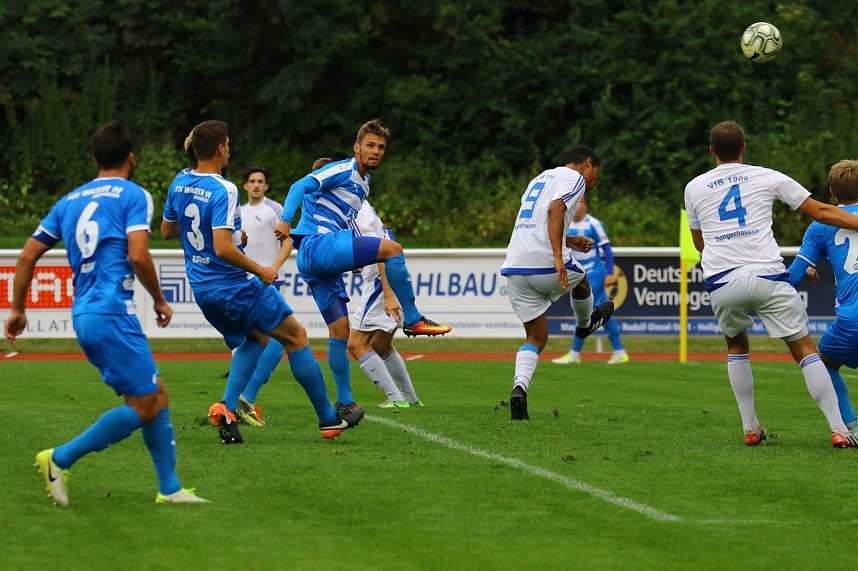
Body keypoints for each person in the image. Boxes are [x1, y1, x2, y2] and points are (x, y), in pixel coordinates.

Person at [4, 121, 207, 505]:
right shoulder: (134, 196)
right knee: (145, 403)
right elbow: (137, 254)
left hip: (84, 312)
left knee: (155, 395)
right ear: (132, 158)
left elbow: (28, 255)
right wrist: (160, 300)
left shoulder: (70, 200)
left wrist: (17, 309)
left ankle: (170, 488)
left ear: (94, 158)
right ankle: (59, 458)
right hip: (112, 311)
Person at [161, 120, 363, 444]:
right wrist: (260, 270)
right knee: (296, 336)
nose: (229, 148)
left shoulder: (180, 182)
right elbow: (223, 248)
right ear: (220, 149)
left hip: (201, 288)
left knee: (255, 340)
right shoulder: (224, 189)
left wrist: (228, 237)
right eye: (227, 143)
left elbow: (168, 231)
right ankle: (329, 418)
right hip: (234, 286)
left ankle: (227, 409)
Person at [684, 120, 858, 448]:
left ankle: (751, 427)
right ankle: (839, 429)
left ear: (712, 152)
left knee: (736, 347)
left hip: (722, 279)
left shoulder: (693, 187)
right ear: (744, 148)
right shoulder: (767, 175)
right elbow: (820, 211)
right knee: (805, 349)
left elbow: (700, 243)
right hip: (767, 274)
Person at [274, 120, 451, 416]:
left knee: (340, 331)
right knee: (392, 249)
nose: (376, 151)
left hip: (313, 259)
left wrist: (350, 254)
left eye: (381, 147)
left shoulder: (365, 183)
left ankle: (344, 402)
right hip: (320, 246)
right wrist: (285, 219)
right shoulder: (343, 169)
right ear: (356, 148)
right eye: (370, 145)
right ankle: (413, 318)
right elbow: (299, 185)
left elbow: (332, 214)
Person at [500, 145, 615, 421]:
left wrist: (568, 241)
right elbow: (555, 209)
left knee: (536, 338)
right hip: (546, 263)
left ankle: (519, 389)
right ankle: (585, 325)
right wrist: (558, 256)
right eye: (595, 175)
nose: (593, 183)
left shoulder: (539, 179)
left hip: (515, 267)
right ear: (587, 163)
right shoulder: (574, 178)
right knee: (583, 280)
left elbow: (536, 222)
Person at [787, 159, 858, 434]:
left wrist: (804, 270)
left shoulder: (821, 226)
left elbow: (792, 277)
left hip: (852, 320)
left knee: (824, 363)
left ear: (832, 192)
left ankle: (850, 424)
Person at [233, 167, 288, 426]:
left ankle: (243, 398)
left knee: (276, 340)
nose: (256, 185)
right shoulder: (237, 212)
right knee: (257, 342)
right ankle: (241, 400)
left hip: (266, 283)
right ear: (245, 185)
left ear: (266, 186)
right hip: (243, 283)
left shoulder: (274, 210)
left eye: (260, 181)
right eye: (252, 181)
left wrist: (274, 267)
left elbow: (289, 240)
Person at [552, 197, 628, 365]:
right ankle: (620, 351)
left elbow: (607, 249)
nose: (578, 208)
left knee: (584, 312)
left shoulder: (593, 224)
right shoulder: (566, 223)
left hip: (594, 271)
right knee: (601, 313)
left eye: (581, 204)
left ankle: (574, 353)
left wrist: (609, 273)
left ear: (585, 206)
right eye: (575, 205)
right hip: (577, 273)